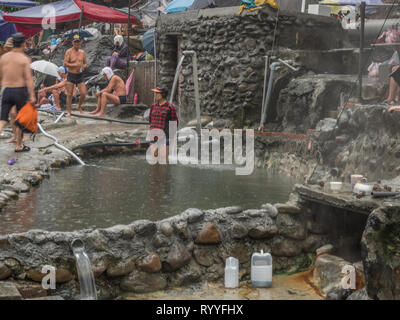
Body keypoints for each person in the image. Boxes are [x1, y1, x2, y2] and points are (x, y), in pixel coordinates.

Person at [0, 32, 36, 152]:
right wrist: (32, 95)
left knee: (3, 120)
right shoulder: (24, 59)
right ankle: (19, 145)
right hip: (19, 91)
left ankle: (18, 142)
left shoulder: (3, 58)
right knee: (20, 120)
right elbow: (29, 79)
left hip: (6, 90)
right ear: (23, 44)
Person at [148, 86, 178, 163]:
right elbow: (150, 119)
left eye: (157, 93)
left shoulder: (170, 108)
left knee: (163, 159)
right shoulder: (153, 106)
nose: (155, 95)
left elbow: (174, 123)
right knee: (154, 158)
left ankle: (165, 175)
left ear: (163, 95)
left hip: (164, 137)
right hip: (154, 136)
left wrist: (171, 137)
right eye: (155, 93)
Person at [64, 34, 87, 116]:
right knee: (69, 94)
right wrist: (75, 65)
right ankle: (69, 111)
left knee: (83, 93)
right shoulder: (68, 51)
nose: (76, 43)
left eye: (78, 42)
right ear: (72, 42)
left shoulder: (82, 52)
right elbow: (65, 63)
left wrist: (83, 67)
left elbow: (85, 63)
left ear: (80, 42)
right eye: (75, 42)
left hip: (80, 75)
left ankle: (79, 106)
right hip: (71, 74)